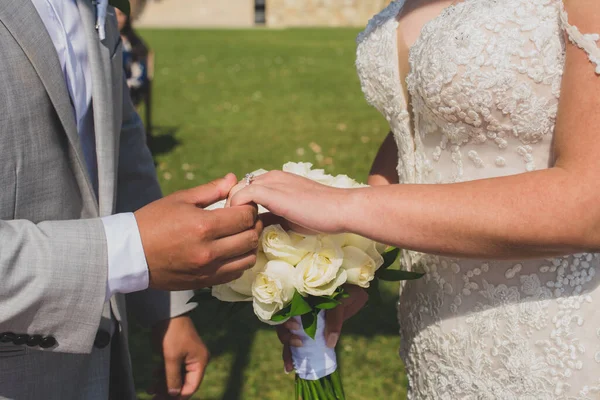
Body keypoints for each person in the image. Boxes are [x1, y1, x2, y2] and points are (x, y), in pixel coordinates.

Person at [231, 0, 600, 398]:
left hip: (557, 341)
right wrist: (354, 260)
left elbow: (589, 205)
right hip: (434, 333)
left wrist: (345, 207)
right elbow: (421, 128)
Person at [0, 1, 261, 399]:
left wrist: (168, 309)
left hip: (95, 367)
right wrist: (129, 252)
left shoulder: (97, 8)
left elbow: (117, 149)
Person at [115, 7, 149, 107]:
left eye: (121, 14)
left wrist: (127, 85)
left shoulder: (133, 44)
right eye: (114, 14)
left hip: (128, 93)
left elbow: (140, 73)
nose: (117, 19)